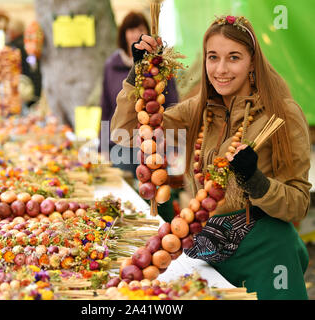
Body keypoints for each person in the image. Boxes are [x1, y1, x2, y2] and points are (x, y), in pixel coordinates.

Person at [111, 15, 311, 300]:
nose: (221, 69)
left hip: (267, 254)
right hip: (208, 251)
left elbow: (300, 203)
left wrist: (257, 183)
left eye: (233, 58)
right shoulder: (199, 111)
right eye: (212, 57)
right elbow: (126, 134)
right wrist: (138, 75)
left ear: (252, 62)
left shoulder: (282, 114)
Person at [100, 11, 178, 176]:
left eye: (140, 29)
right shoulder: (112, 66)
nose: (136, 34)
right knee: (128, 191)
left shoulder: (160, 64)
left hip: (156, 141)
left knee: (156, 189)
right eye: (131, 30)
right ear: (124, 34)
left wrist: (175, 145)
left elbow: (172, 103)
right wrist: (104, 146)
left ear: (147, 32)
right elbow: (106, 108)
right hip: (122, 142)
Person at [6, 19, 42, 105]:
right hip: (34, 87)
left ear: (12, 32)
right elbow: (33, 66)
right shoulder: (30, 45)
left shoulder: (11, 48)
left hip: (20, 89)